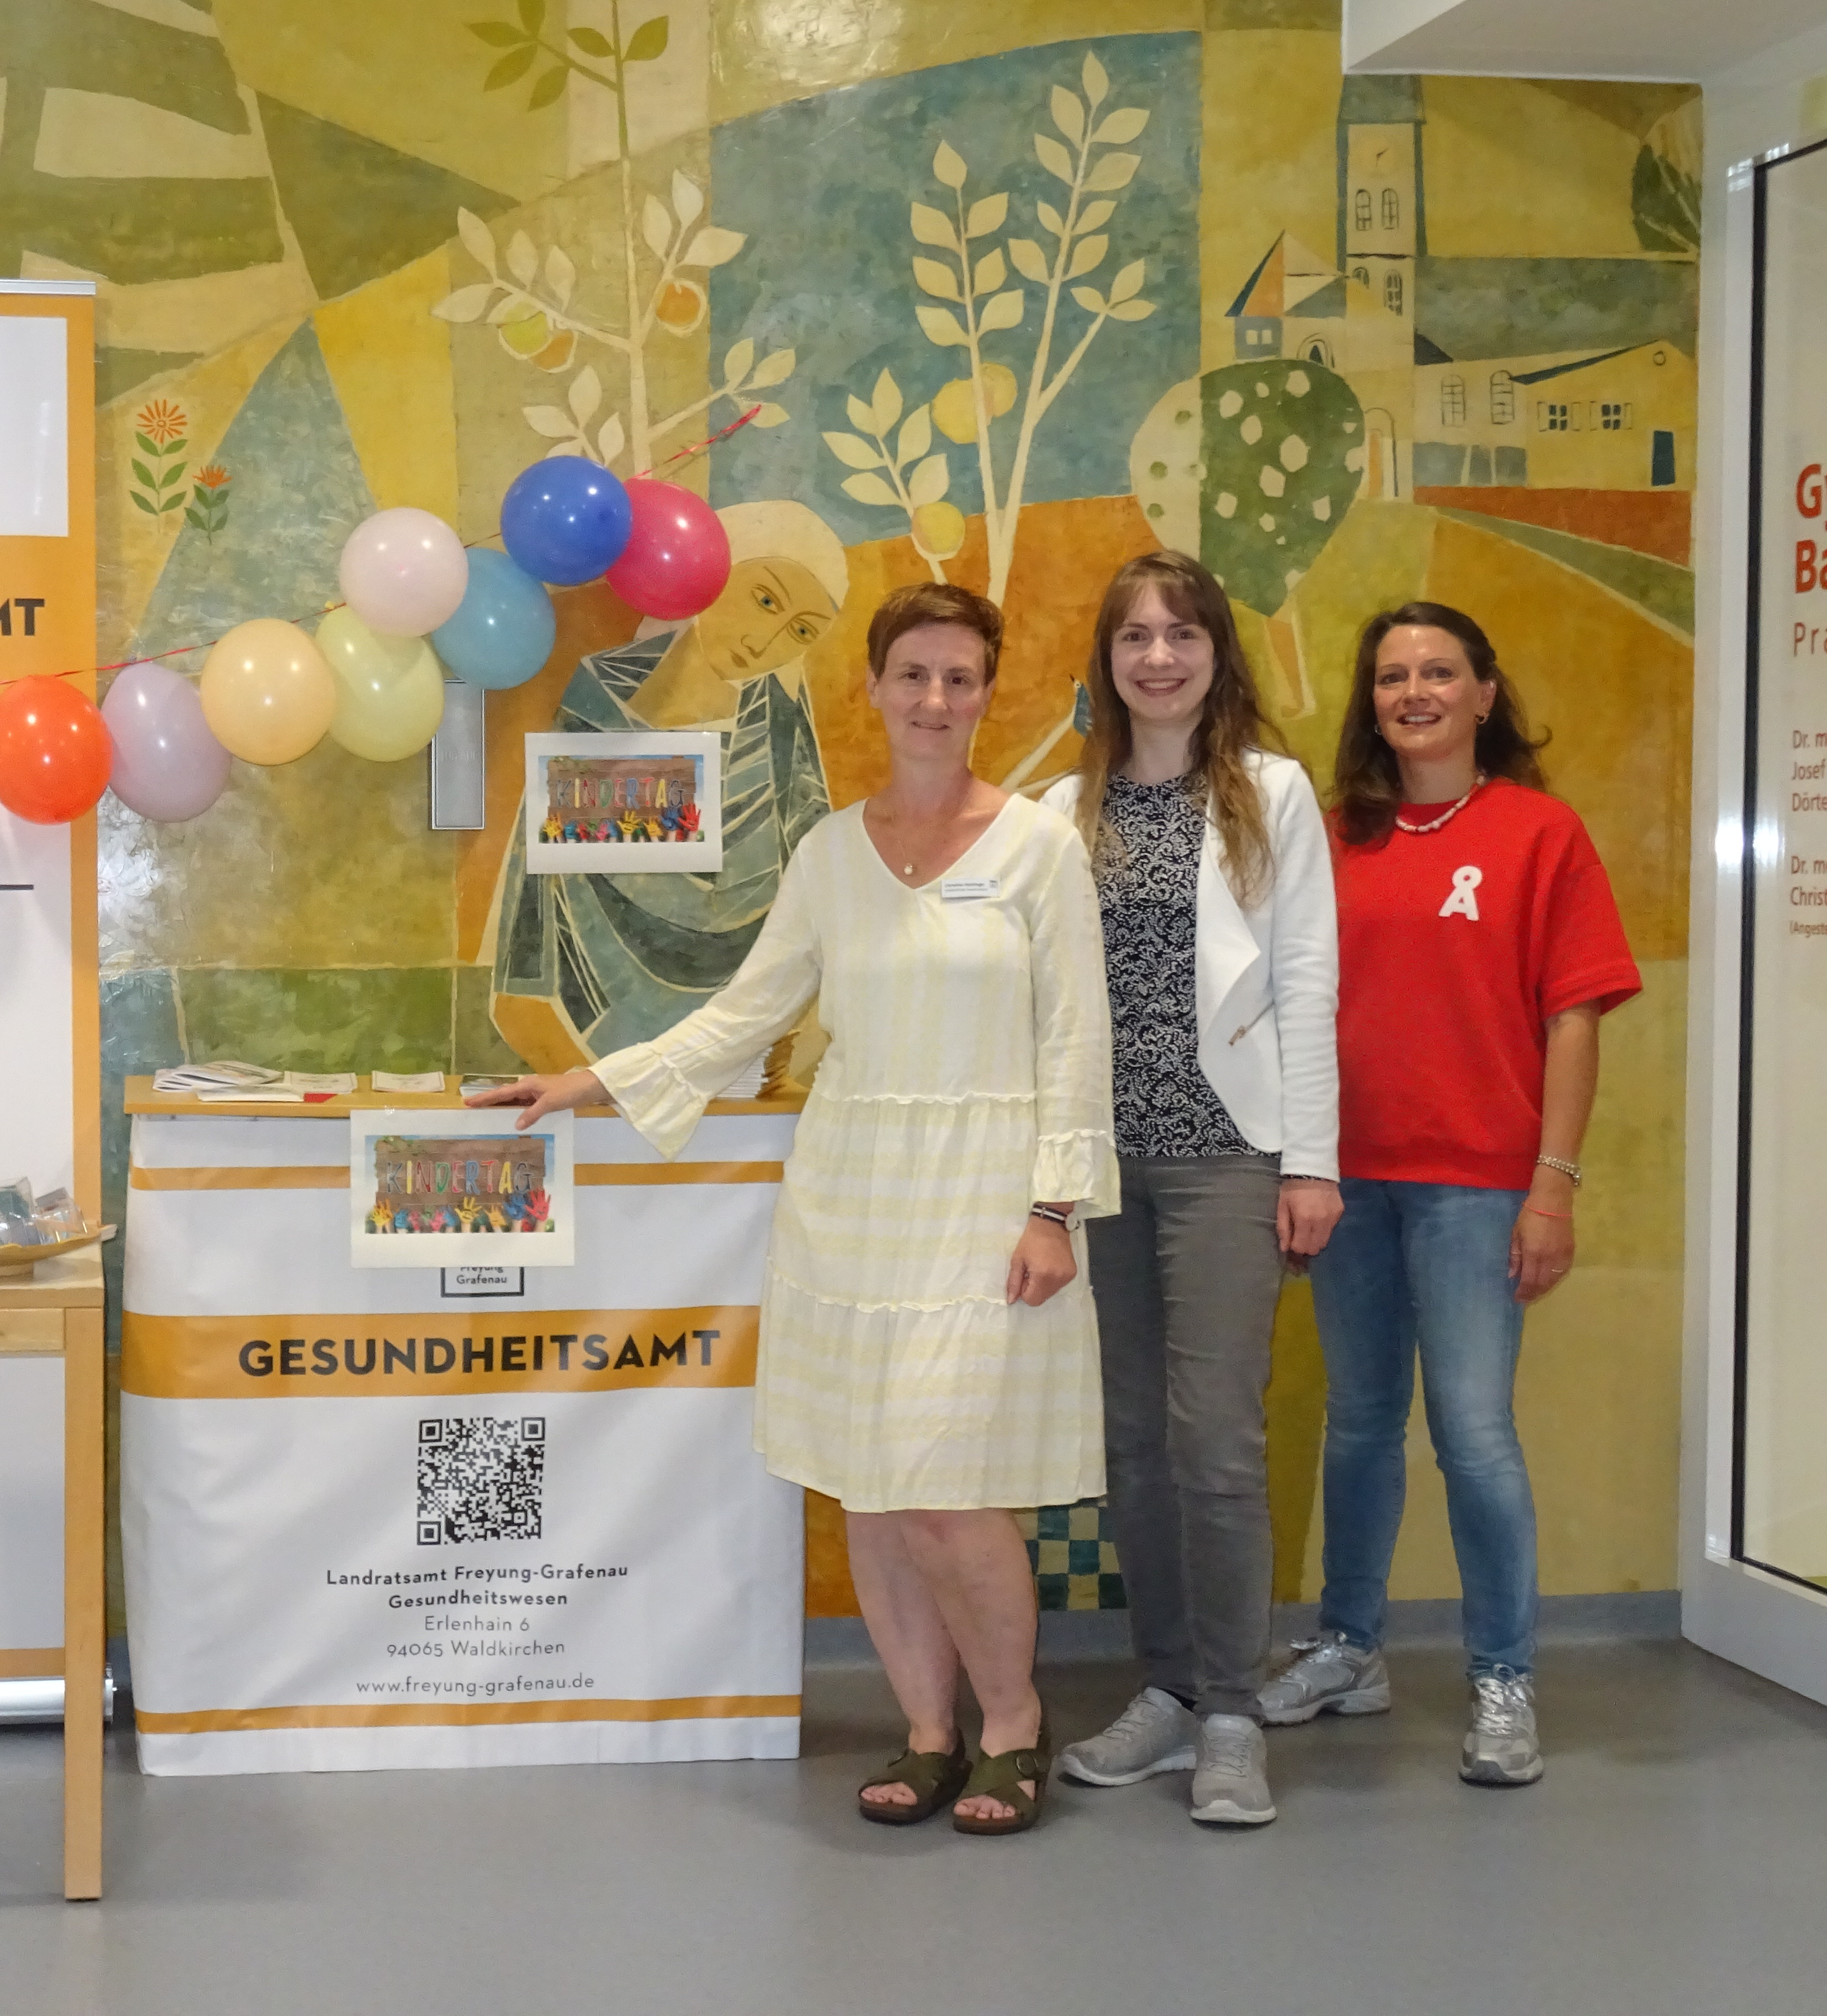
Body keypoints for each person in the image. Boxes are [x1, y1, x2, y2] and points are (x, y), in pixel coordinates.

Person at [472, 583, 1115, 1834]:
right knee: (868, 1482)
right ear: (873, 688)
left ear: (987, 694)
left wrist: (1054, 1205)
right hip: (851, 1190)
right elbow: (742, 1017)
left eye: (960, 678)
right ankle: (927, 1732)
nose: (935, 698)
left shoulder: (1038, 847)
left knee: (943, 1483)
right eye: (913, 674)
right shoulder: (828, 853)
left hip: (985, 1194)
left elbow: (1075, 1038)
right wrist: (588, 1081)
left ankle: (1013, 1723)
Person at [1259, 601, 1639, 1787]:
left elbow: (1572, 1019)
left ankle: (1502, 1677)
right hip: (1346, 1181)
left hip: (1477, 1188)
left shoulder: (1539, 833)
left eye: (1436, 671)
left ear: (1483, 691)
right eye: (1390, 676)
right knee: (1359, 1422)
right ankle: (1349, 1647)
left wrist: (1550, 1188)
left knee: (1472, 1433)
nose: (1412, 692)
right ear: (1368, 702)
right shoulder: (1330, 837)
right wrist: (1294, 1164)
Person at [1042, 551, 1339, 1828]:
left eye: (1180, 635)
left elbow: (1307, 983)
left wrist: (1312, 1161)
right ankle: (1164, 1688)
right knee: (1133, 1442)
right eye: (1134, 638)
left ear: (1217, 652)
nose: (1157, 658)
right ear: (1106, 662)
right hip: (1100, 1166)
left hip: (1228, 1155)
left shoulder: (1270, 793)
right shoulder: (1063, 808)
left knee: (1215, 1435)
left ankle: (1230, 1710)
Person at [487, 502, 850, 1071]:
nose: (764, 641)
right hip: (606, 1015)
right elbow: (549, 887)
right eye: (764, 600)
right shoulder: (609, 697)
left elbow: (815, 879)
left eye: (801, 631)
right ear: (716, 572)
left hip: (744, 1028)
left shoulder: (780, 726)